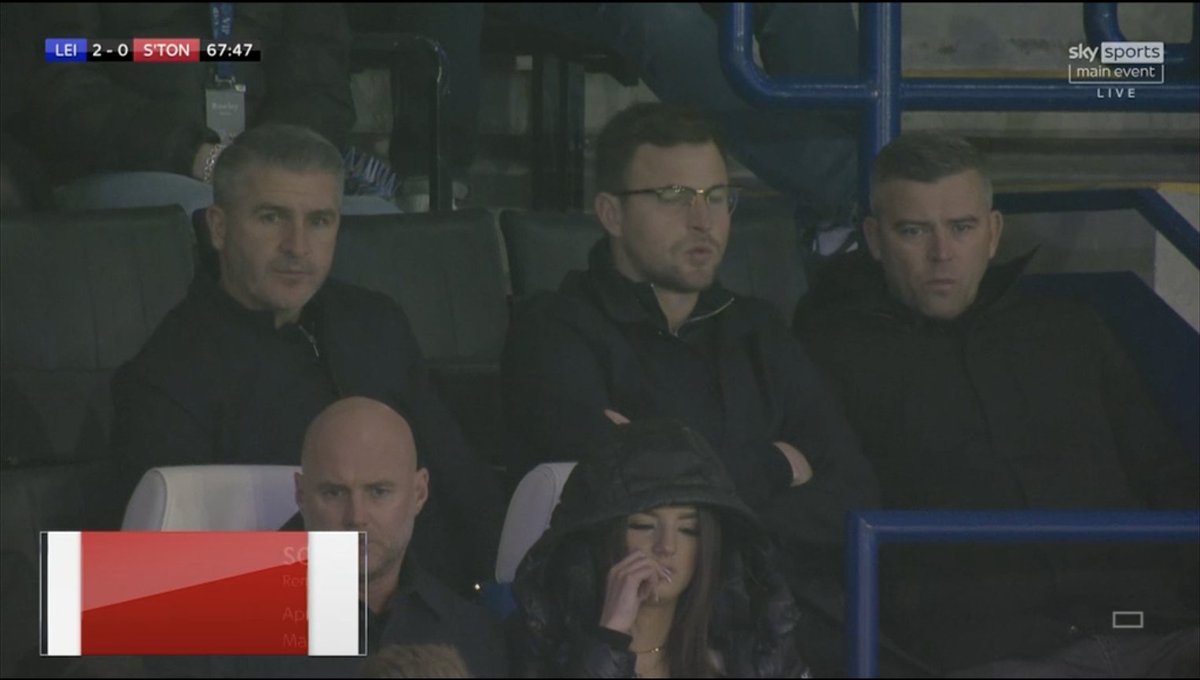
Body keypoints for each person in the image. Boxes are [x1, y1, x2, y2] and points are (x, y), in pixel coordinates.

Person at [795, 131, 1200, 676]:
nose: (942, 253)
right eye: (914, 231)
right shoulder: (835, 357)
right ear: (874, 237)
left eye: (961, 228)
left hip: (1148, 625)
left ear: (992, 232)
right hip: (992, 653)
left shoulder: (1069, 330)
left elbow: (1164, 471)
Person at [502, 102, 877, 674]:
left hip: (787, 627)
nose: (704, 220)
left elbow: (853, 492)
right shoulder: (555, 330)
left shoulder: (761, 330)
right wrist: (775, 468)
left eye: (718, 196)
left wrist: (695, 506)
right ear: (610, 212)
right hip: (632, 633)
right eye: (675, 197)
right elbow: (615, 500)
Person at [111, 124, 505, 596]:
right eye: (272, 217)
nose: (297, 246)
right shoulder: (165, 376)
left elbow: (462, 486)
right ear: (219, 227)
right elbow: (128, 592)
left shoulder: (376, 324)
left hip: (430, 620)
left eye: (319, 221)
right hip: (283, 645)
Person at [511, 418, 806, 678]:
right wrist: (611, 635)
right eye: (643, 526)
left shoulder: (750, 657)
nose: (666, 546)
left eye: (688, 529)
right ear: (601, 539)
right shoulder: (545, 651)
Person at [288, 397, 507, 677]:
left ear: (419, 494)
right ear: (301, 494)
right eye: (334, 492)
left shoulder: (474, 633)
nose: (356, 516)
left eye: (378, 492)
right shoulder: (231, 621)